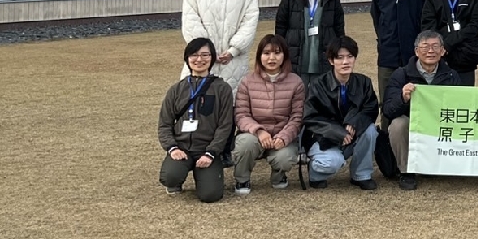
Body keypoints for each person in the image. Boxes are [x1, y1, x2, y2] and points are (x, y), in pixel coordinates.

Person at [383, 30, 464, 191]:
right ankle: (406, 171)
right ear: (416, 51)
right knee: (398, 124)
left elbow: (460, 107)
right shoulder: (401, 74)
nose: (430, 51)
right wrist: (403, 98)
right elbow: (388, 110)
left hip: (440, 124)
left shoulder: (451, 75)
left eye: (435, 46)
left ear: (442, 51)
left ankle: (442, 163)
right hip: (413, 125)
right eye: (425, 46)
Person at [157, 38, 235, 201]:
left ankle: (206, 174)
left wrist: (211, 152)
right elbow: (165, 124)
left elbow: (225, 126)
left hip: (207, 149)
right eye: (194, 55)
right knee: (170, 176)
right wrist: (172, 148)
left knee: (210, 195)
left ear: (212, 58)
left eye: (205, 55)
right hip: (182, 148)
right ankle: (176, 178)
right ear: (187, 58)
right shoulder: (176, 89)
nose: (199, 59)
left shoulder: (222, 89)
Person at [302, 35, 380, 190]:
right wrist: (338, 132)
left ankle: (361, 174)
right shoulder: (318, 85)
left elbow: (371, 109)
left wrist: (353, 123)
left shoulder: (364, 82)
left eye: (350, 56)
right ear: (331, 61)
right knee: (332, 162)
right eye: (340, 57)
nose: (346, 62)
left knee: (371, 130)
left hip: (353, 134)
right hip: (326, 138)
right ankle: (315, 172)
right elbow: (310, 117)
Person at [180, 0, 260, 94]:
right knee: (197, 100)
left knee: (231, 101)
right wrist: (206, 51)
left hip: (234, 61)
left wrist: (233, 50)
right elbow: (191, 21)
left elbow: (250, 21)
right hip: (202, 60)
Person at [231, 34, 304, 195]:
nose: (272, 58)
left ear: (284, 55)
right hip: (253, 134)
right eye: (266, 53)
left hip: (281, 133)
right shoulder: (247, 81)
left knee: (285, 157)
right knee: (245, 145)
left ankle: (279, 176)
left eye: (277, 53)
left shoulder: (296, 82)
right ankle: (242, 178)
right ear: (259, 56)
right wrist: (259, 131)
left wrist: (284, 137)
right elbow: (241, 114)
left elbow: (297, 117)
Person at [371, 0, 429, 124]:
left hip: (413, 52)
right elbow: (376, 16)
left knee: (416, 97)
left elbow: (424, 17)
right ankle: (385, 138)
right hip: (388, 51)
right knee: (387, 98)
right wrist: (384, 38)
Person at [274, 0, 345, 81]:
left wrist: (340, 50)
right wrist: (280, 51)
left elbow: (339, 26)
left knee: (322, 90)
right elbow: (281, 26)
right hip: (297, 55)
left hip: (323, 54)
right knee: (298, 90)